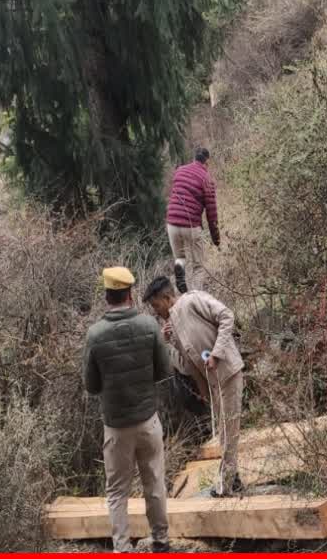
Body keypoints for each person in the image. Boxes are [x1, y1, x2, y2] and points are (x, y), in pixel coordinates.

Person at [82, 267, 171, 553]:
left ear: (107, 296)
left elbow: (92, 386)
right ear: (130, 294)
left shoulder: (95, 335)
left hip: (117, 427)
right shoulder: (149, 326)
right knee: (155, 483)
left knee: (117, 490)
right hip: (148, 420)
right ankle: (161, 541)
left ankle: (122, 548)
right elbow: (163, 371)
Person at [143, 275, 244, 495]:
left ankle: (225, 486)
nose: (156, 311)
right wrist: (168, 343)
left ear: (168, 297)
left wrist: (216, 353)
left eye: (156, 305)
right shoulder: (172, 324)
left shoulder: (193, 300)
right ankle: (233, 480)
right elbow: (185, 366)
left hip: (229, 373)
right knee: (225, 432)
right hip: (213, 384)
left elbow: (227, 315)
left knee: (229, 431)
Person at [165, 147, 220, 292]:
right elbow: (211, 213)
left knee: (180, 257)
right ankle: (197, 296)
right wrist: (216, 239)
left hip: (171, 223)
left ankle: (179, 272)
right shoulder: (207, 179)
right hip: (191, 225)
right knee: (198, 266)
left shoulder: (179, 171)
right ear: (207, 161)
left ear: (194, 158)